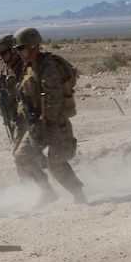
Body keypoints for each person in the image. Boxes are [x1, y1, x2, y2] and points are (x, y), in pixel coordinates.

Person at [11, 27, 87, 205]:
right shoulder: (28, 67)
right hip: (36, 124)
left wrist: (43, 121)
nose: (18, 53)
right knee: (21, 156)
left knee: (56, 164)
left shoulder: (48, 66)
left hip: (55, 124)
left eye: (20, 48)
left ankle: (78, 194)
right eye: (16, 50)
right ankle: (47, 191)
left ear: (32, 46)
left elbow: (54, 99)